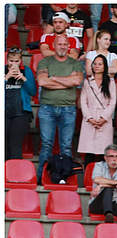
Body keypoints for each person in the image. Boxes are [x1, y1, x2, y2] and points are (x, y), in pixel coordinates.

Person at [35, 35, 83, 179]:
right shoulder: (45, 62)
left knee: (66, 146)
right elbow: (42, 82)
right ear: (53, 46)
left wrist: (54, 78)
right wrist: (67, 81)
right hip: (47, 109)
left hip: (68, 109)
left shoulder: (75, 63)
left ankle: (66, 179)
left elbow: (77, 80)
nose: (62, 46)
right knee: (46, 145)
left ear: (69, 46)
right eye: (59, 44)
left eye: (65, 44)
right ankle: (41, 178)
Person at [5, 48, 37, 160]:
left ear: (21, 61)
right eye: (11, 61)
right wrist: (6, 78)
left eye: (16, 61)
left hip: (21, 112)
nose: (14, 64)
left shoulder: (26, 71)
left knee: (15, 145)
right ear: (7, 60)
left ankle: (14, 175)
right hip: (5, 111)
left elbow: (33, 91)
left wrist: (24, 79)